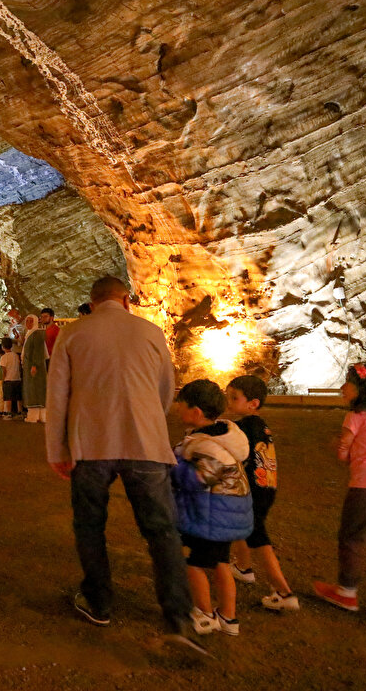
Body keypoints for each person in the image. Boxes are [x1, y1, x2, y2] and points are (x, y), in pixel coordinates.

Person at [45, 275, 204, 653]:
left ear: (93, 302)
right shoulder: (150, 332)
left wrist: (58, 449)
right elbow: (166, 389)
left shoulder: (73, 334)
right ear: (126, 300)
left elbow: (58, 397)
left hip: (91, 444)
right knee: (162, 532)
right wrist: (147, 419)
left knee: (90, 525)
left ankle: (98, 602)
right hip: (145, 443)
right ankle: (178, 616)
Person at [172, 380, 254, 636]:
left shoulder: (207, 446)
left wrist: (172, 465)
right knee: (220, 562)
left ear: (196, 412)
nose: (177, 410)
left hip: (212, 515)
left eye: (180, 406)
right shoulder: (223, 437)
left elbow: (198, 478)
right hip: (227, 514)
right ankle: (228, 618)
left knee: (192, 563)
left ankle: (205, 615)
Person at [225, 375, 298, 611]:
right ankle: (244, 568)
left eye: (234, 397)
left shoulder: (242, 428)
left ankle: (284, 592)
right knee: (241, 525)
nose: (229, 401)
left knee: (259, 538)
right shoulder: (262, 426)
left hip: (252, 492)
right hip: (267, 488)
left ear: (252, 403)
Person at [312, 362, 366, 620]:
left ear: (360, 389)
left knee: (352, 536)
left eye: (347, 383)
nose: (342, 388)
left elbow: (343, 454)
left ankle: (347, 592)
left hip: (365, 487)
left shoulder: (355, 417)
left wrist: (337, 446)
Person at [22, 314, 47, 423]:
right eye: (27, 321)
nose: (28, 324)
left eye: (31, 321)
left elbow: (38, 351)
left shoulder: (37, 334)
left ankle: (33, 416)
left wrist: (35, 365)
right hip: (30, 366)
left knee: (34, 390)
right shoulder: (30, 334)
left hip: (34, 367)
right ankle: (40, 416)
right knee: (35, 390)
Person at [0, 337, 22, 418]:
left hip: (8, 379)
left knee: (8, 398)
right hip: (17, 379)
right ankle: (19, 412)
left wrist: (3, 379)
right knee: (18, 397)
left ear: (3, 347)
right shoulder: (15, 355)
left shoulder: (3, 357)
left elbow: (4, 370)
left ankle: (8, 412)